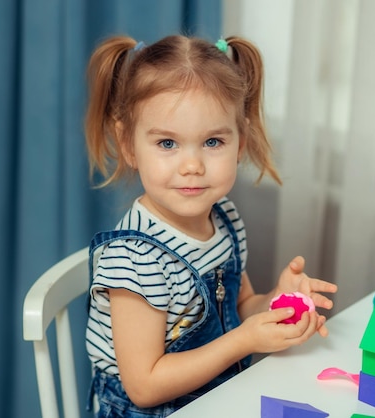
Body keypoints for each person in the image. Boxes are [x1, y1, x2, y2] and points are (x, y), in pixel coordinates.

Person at [84, 34, 338, 418]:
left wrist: (276, 303)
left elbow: (240, 308)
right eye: (168, 144)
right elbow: (144, 386)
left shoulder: (223, 219)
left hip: (219, 399)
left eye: (213, 141)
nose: (192, 166)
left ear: (240, 143)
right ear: (128, 145)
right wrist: (242, 342)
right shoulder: (135, 260)